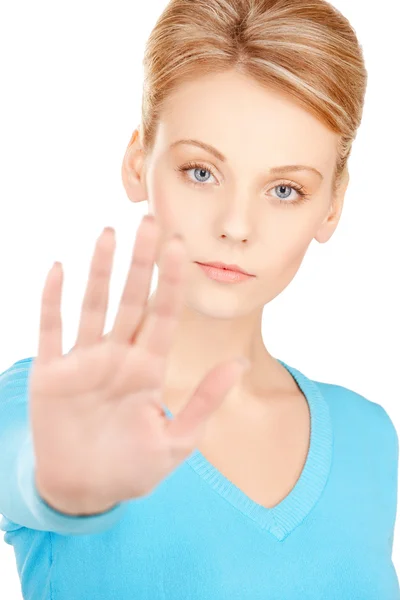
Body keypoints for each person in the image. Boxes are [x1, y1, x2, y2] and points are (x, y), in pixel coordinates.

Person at [0, 0, 398, 598]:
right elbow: (26, 474)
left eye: (285, 189)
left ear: (333, 205)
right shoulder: (47, 407)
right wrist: (64, 489)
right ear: (139, 162)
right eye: (201, 172)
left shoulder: (370, 436)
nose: (236, 225)